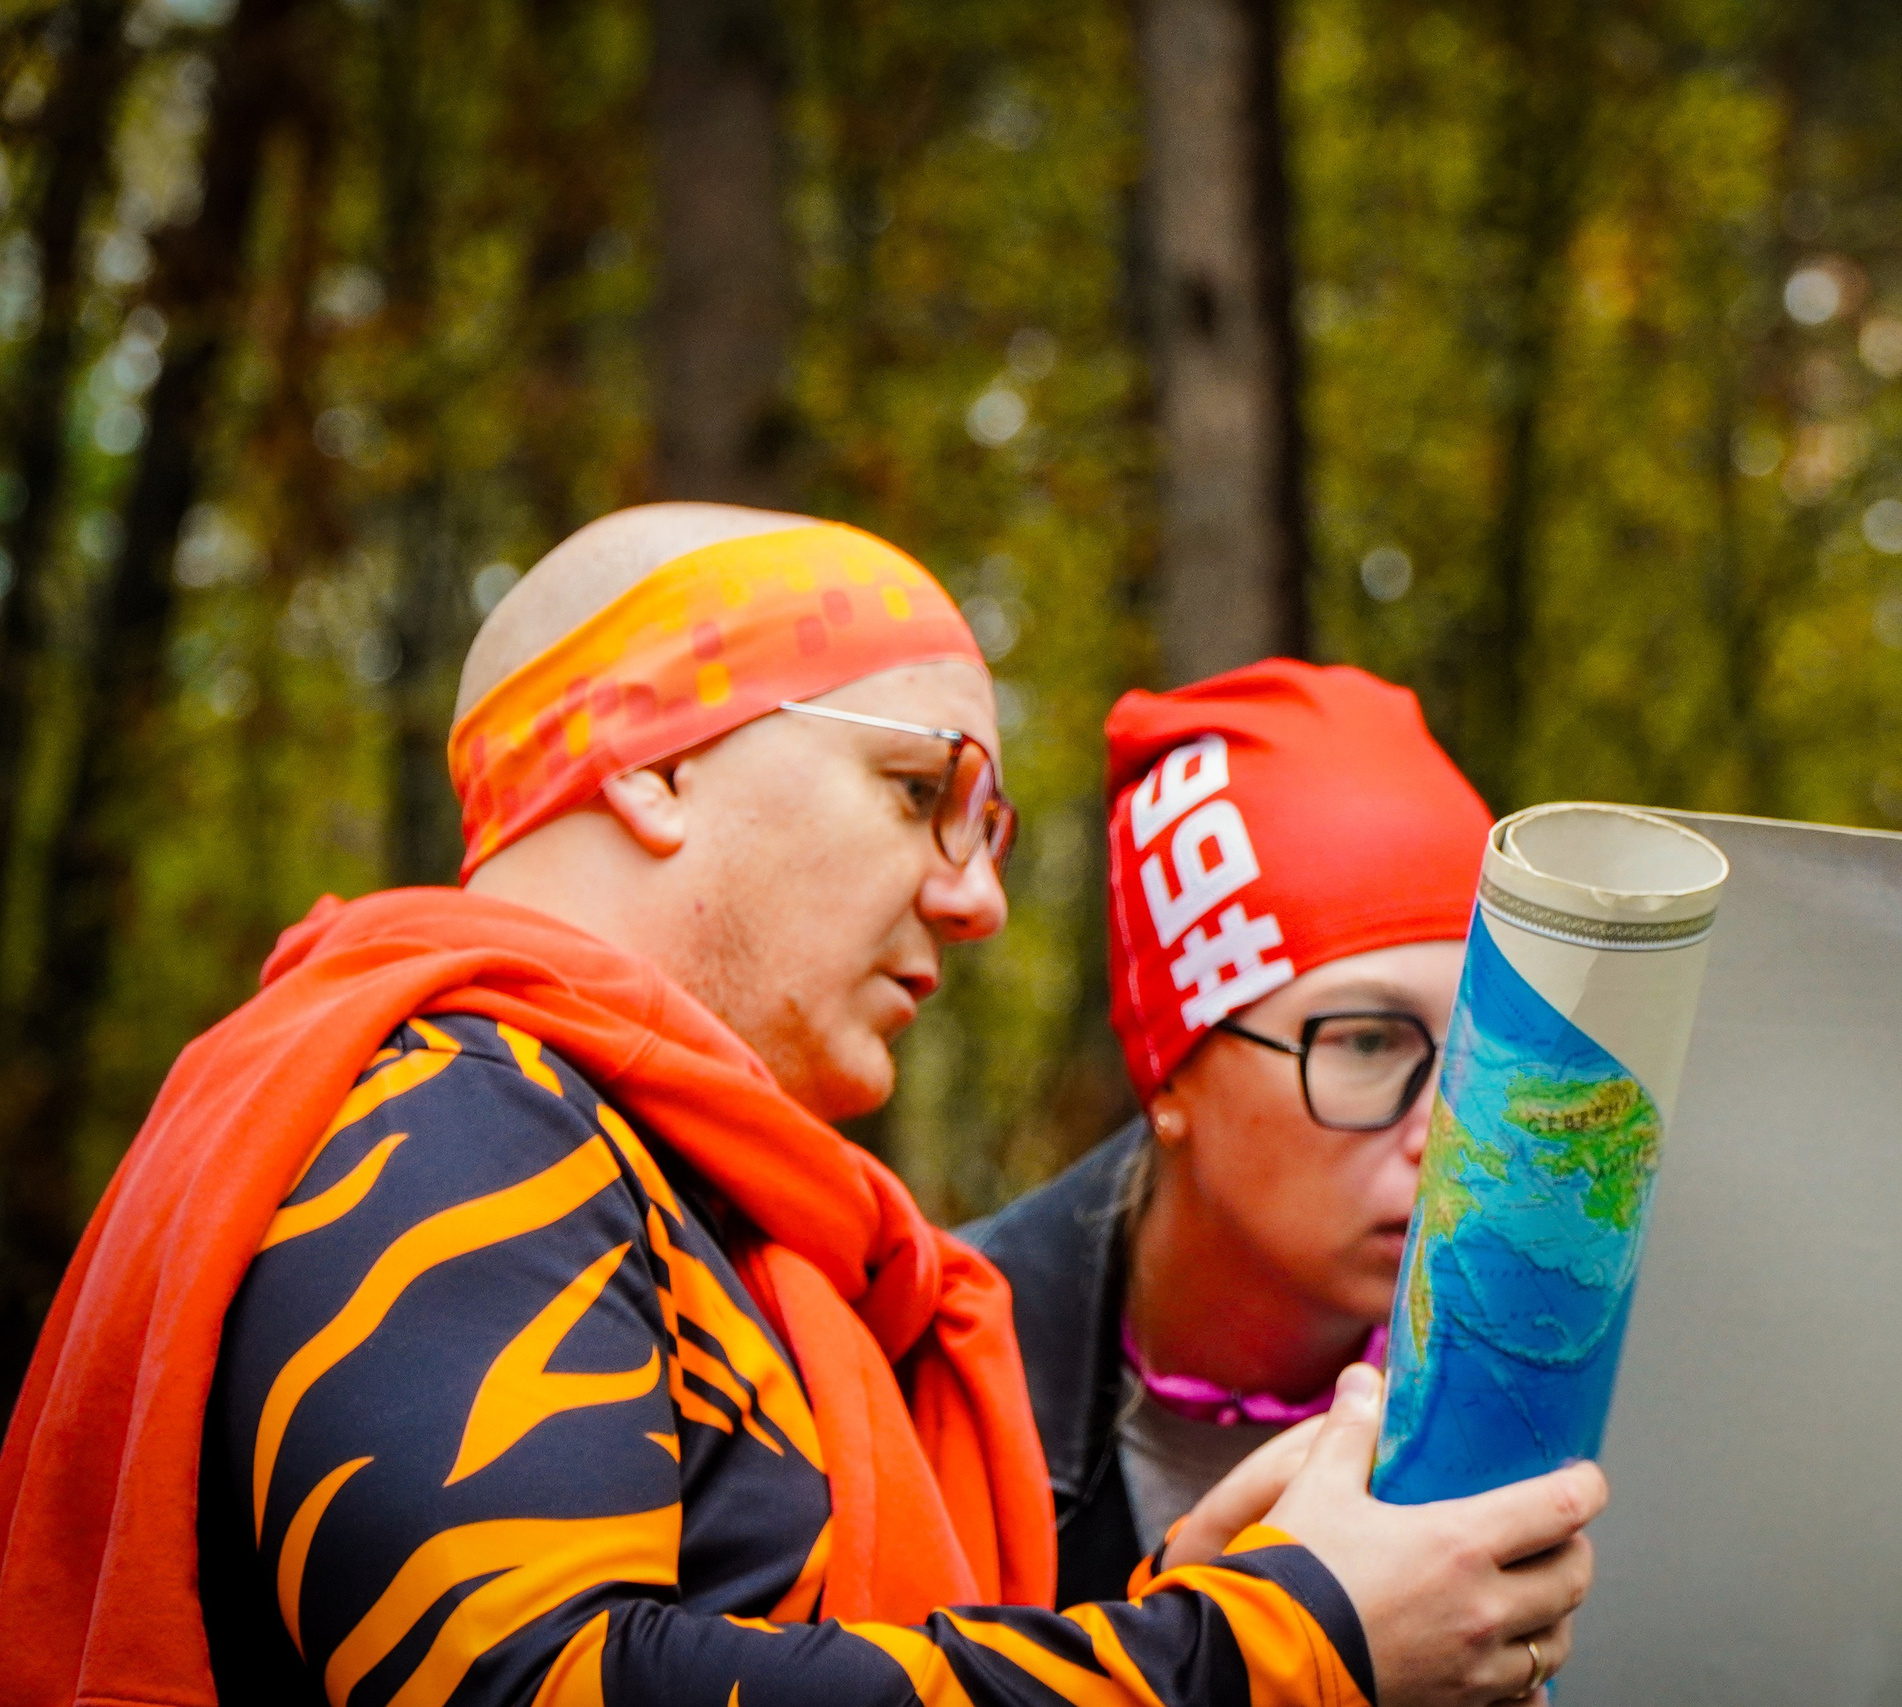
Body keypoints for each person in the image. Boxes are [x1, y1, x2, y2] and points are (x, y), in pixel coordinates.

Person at [0, 507, 1602, 1707]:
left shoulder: (729, 1219)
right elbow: (542, 1684)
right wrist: (1278, 1641)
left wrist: (1211, 1596)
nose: (975, 897)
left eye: (990, 823)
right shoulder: (453, 1109)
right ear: (650, 759)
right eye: (922, 790)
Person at [966, 661, 1495, 1608]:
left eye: (1481, 1060)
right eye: (1367, 1041)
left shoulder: (1544, 1363)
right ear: (1172, 1071)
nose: (1445, 1133)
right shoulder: (932, 1378)